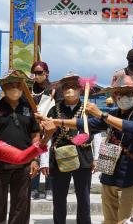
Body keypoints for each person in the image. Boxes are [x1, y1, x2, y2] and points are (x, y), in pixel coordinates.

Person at [38, 75, 133, 224]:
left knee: (128, 220)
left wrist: (101, 114)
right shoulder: (113, 113)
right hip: (109, 176)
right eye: (120, 93)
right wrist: (56, 121)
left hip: (131, 177)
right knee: (109, 220)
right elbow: (85, 124)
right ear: (115, 95)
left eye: (128, 93)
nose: (124, 97)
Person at [39, 73, 95, 224]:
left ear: (81, 89)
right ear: (62, 90)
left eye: (74, 86)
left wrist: (95, 158)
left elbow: (93, 134)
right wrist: (44, 162)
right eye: (67, 87)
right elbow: (47, 137)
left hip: (83, 157)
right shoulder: (53, 110)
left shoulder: (88, 109)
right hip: (59, 158)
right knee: (58, 197)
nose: (70, 89)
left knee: (84, 198)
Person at [0, 70, 42, 224]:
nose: (15, 88)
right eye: (10, 84)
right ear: (3, 87)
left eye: (18, 84)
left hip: (24, 164)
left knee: (21, 204)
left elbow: (35, 135)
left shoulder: (30, 107)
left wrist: (35, 159)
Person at [30, 61, 55, 201]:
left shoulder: (53, 89)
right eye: (34, 73)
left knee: (49, 157)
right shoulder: (29, 89)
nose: (37, 75)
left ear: (47, 73)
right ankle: (33, 187)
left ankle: (49, 188)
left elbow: (58, 110)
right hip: (33, 129)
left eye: (40, 72)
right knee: (34, 156)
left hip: (49, 128)